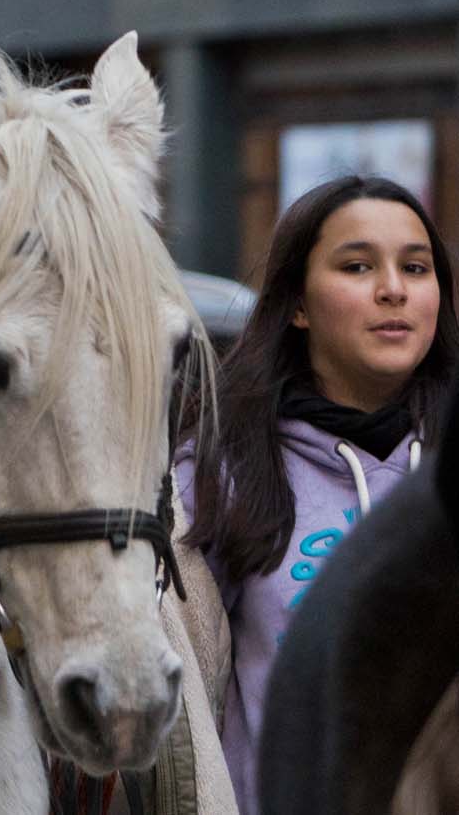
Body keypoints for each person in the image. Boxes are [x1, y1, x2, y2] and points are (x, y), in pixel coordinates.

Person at [174, 175, 452, 812]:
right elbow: (178, 727)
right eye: (358, 266)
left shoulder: (447, 473)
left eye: (416, 267)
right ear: (297, 303)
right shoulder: (219, 474)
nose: (394, 289)